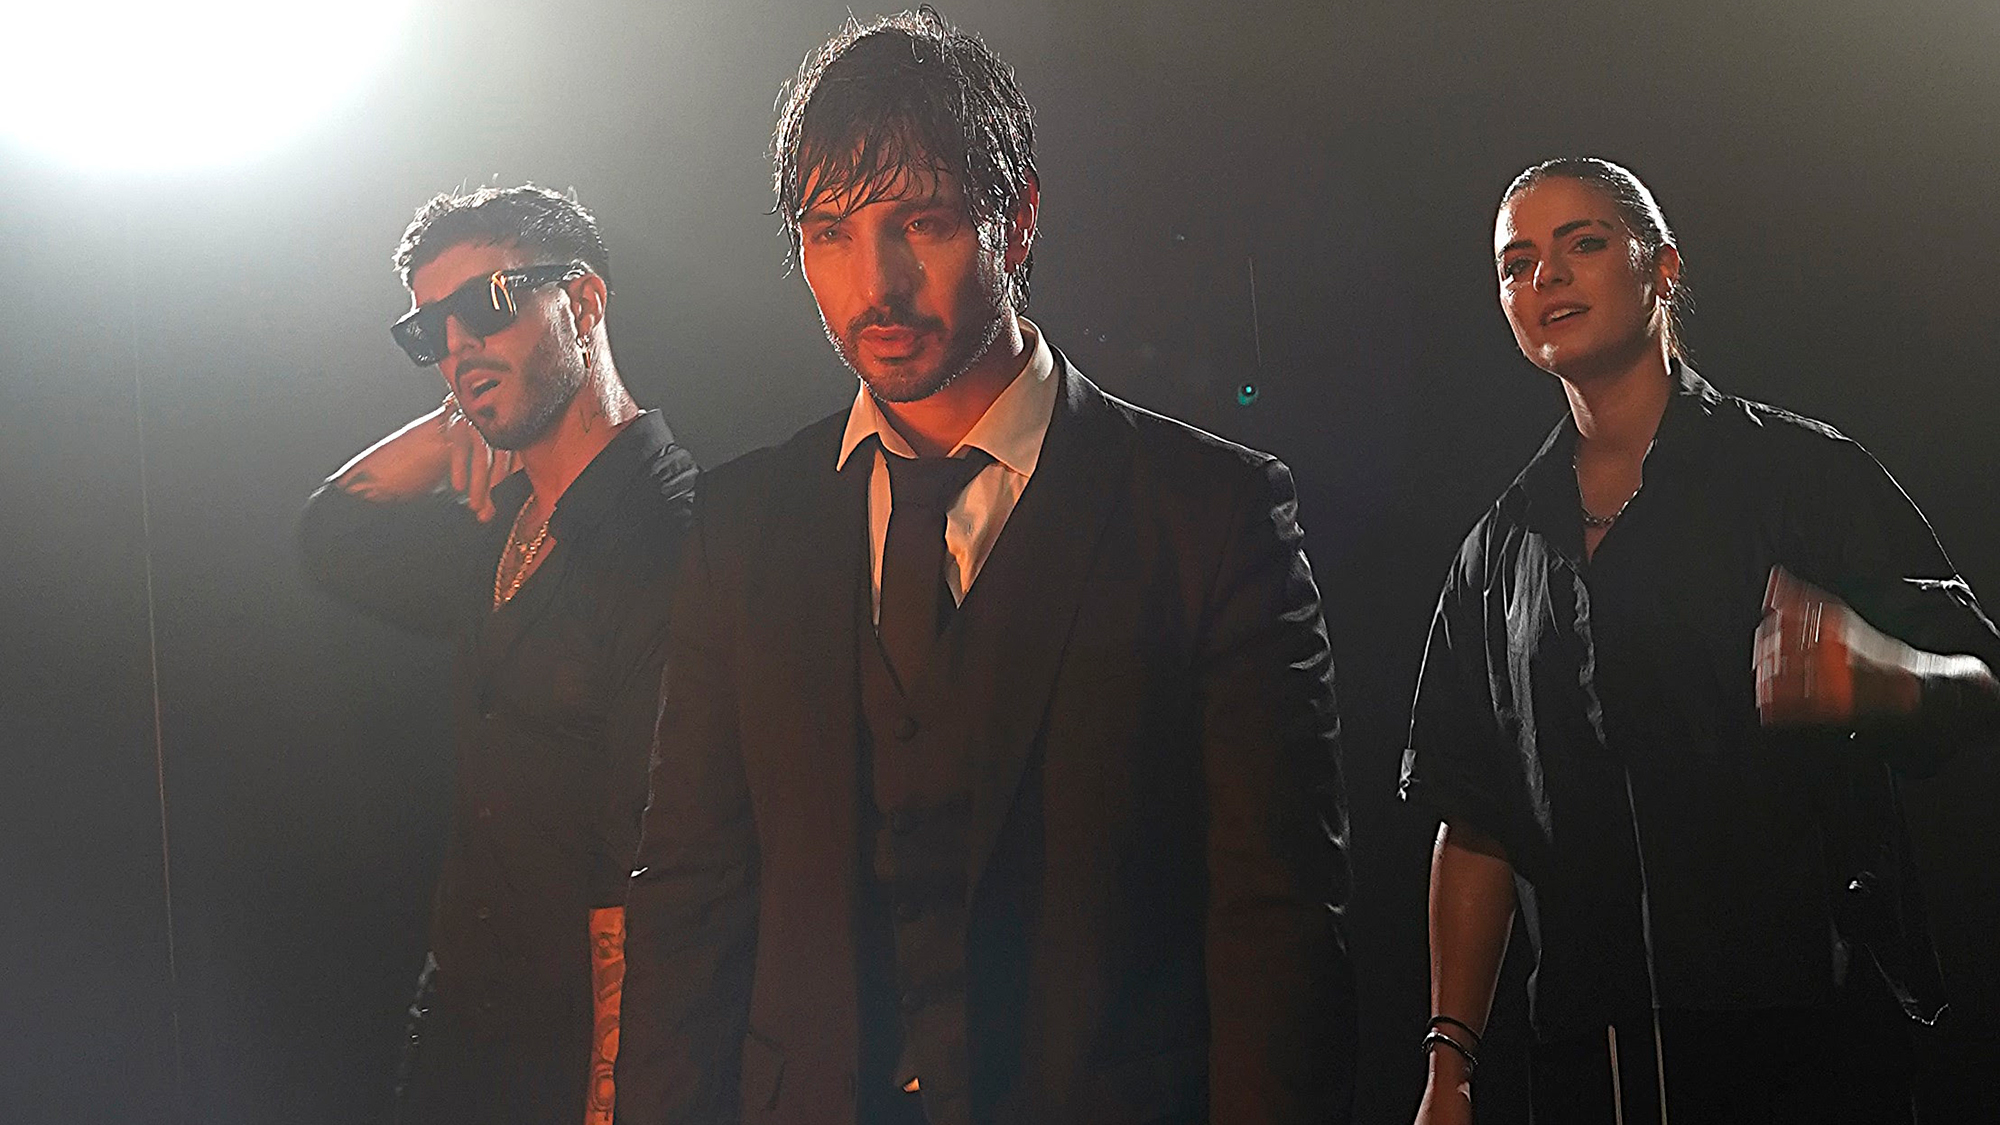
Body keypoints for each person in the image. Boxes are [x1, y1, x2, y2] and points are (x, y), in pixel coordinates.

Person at [615, 10, 1354, 1125]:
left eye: (922, 222)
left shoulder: (1210, 517)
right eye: (829, 231)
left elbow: (1277, 926)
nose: (876, 285)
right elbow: (688, 898)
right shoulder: (742, 525)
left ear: (1018, 220)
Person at [1401, 156, 2000, 1125]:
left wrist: (1885, 673)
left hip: (1809, 1046)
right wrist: (1448, 1067)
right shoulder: (1494, 554)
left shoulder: (1802, 474)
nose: (1545, 276)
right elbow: (1474, 821)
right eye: (1517, 263)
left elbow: (1981, 677)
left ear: (1662, 267)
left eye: (1582, 243)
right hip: (1590, 1065)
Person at [299, 185, 698, 1125]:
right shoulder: (498, 530)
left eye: (487, 304)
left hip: (571, 1063)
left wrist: (610, 1101)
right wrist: (450, 431)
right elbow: (331, 537)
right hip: (456, 1040)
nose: (457, 348)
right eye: (429, 333)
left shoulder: (668, 536)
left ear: (584, 302)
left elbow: (644, 870)